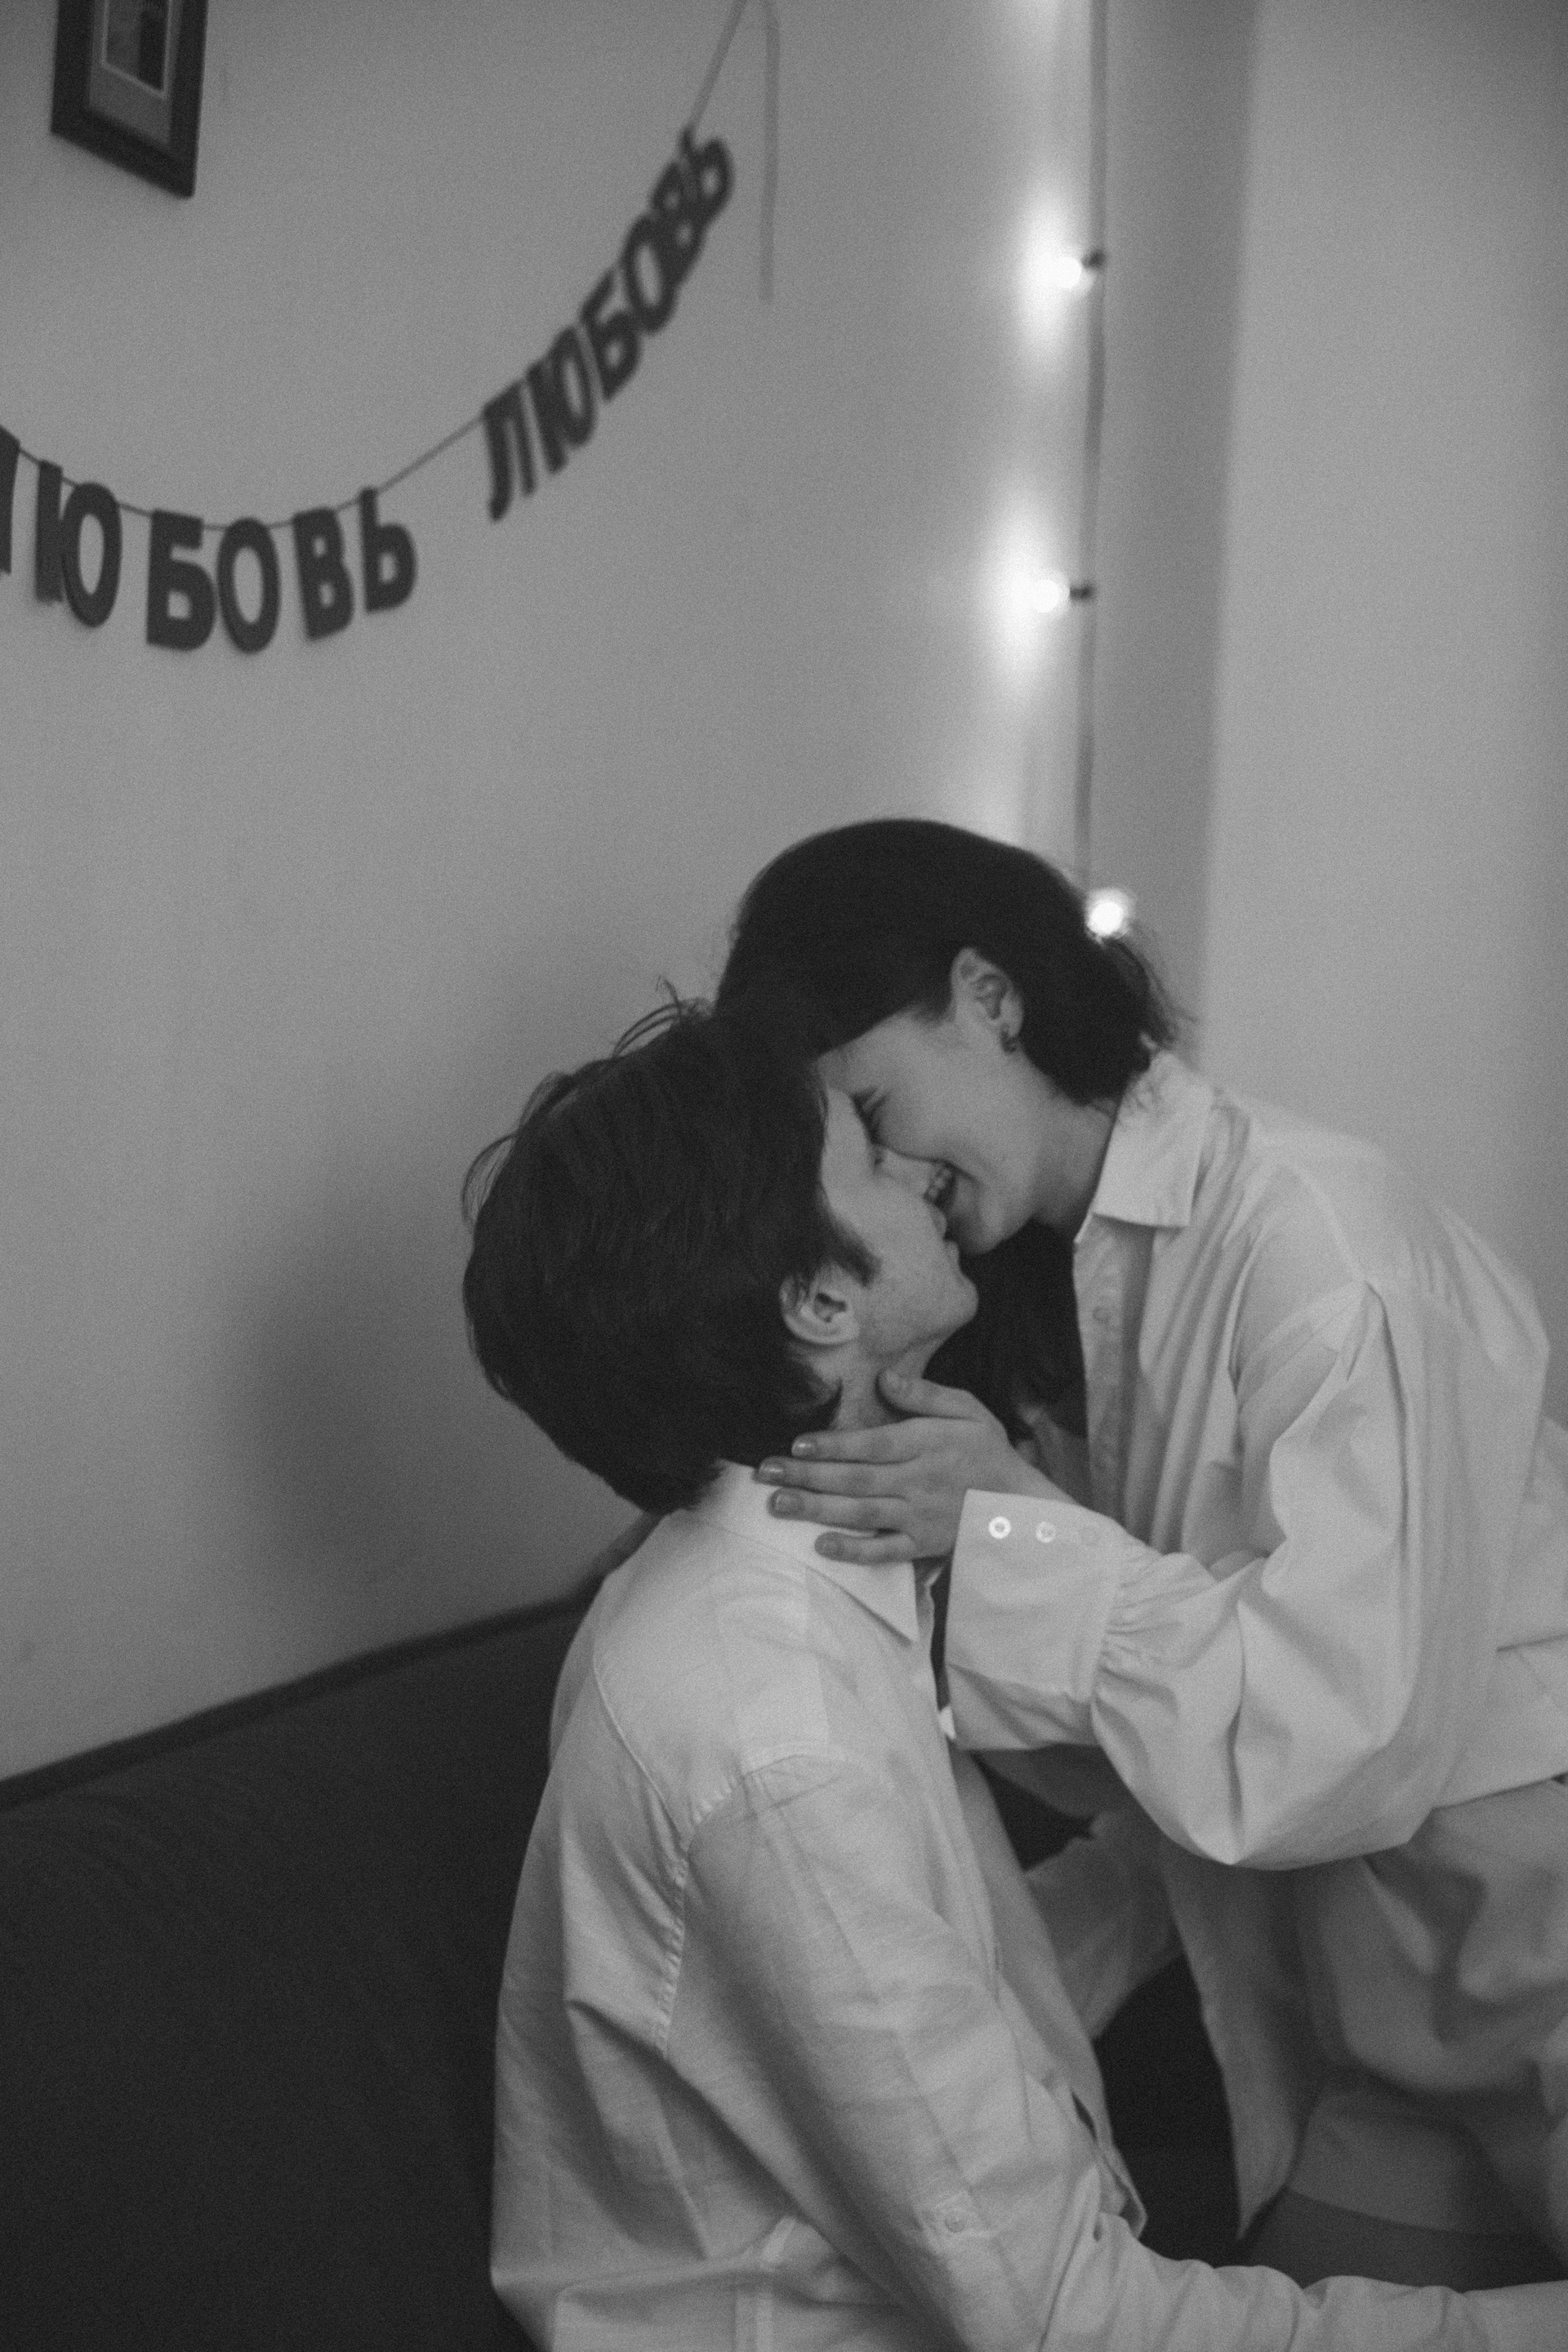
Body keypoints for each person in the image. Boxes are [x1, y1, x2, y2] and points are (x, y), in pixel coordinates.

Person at [461, 991, 1563, 2347]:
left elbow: (957, 1983)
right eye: (865, 1149)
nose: (916, 1173)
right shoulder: (771, 1736)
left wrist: (1156, 1848)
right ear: (820, 1299)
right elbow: (1070, 2317)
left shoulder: (797, 1584)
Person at [717, 816, 1568, 2294]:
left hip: (1522, 1910)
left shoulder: (1318, 1244)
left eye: (873, 1106)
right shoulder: (1053, 1295)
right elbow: (1134, 1751)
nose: (885, 1170)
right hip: (1355, 1990)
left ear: (989, 996)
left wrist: (1008, 1538)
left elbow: (1347, 1732)